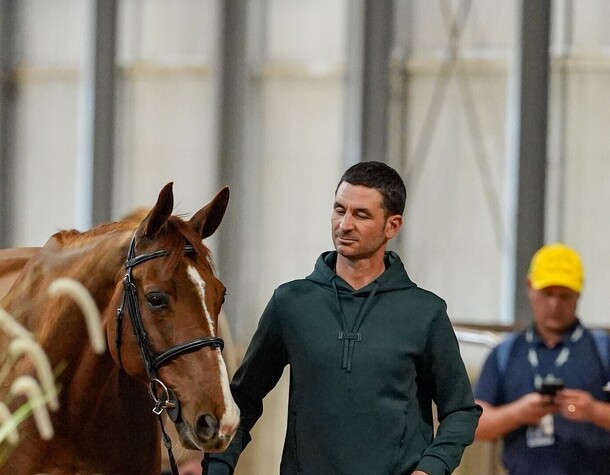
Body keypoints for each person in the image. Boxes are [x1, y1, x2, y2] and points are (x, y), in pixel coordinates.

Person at [205, 161, 481, 474]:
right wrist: (217, 467)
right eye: (339, 210)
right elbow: (243, 399)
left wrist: (431, 468)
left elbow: (460, 411)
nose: (344, 224)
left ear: (392, 226)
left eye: (361, 215)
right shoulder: (290, 304)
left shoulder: (425, 313)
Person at [474, 243, 610, 474]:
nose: (555, 305)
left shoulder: (603, 350)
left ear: (579, 294)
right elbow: (474, 424)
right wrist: (518, 413)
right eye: (547, 294)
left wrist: (594, 411)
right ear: (529, 287)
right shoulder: (505, 354)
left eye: (565, 296)